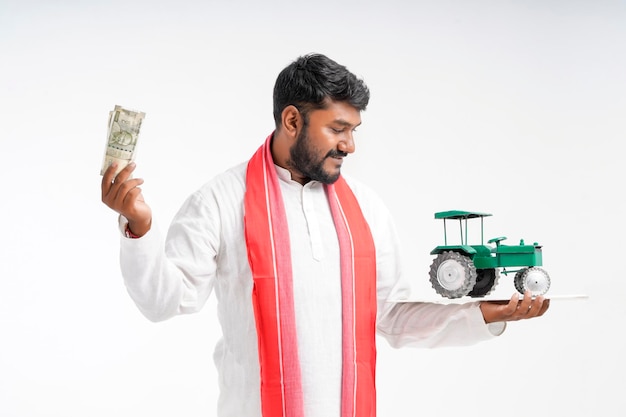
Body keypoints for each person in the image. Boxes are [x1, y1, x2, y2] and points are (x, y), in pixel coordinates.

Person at [101, 53, 549, 417]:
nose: (349, 145)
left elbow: (390, 317)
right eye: (337, 128)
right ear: (292, 120)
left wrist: (485, 314)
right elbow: (165, 302)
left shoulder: (367, 207)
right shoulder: (220, 201)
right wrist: (139, 227)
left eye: (353, 131)